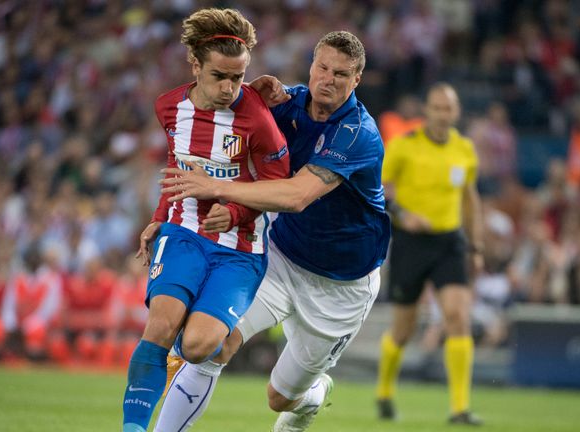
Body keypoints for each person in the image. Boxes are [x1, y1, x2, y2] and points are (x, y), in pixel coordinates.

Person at [154, 30, 389, 432]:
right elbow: (228, 109)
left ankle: (312, 395)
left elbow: (298, 195)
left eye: (341, 74)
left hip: (341, 286)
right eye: (323, 67)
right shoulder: (288, 103)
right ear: (312, 65)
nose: (328, 79)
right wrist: (250, 89)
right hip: (279, 259)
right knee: (211, 346)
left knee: (279, 398)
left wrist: (216, 188)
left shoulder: (358, 134)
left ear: (357, 80)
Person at [120, 8, 290, 432]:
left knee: (198, 347)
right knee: (159, 325)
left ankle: (181, 347)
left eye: (238, 77)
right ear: (195, 65)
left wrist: (233, 211)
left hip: (241, 249)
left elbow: (277, 187)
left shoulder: (257, 118)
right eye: (221, 77)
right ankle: (133, 428)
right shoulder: (169, 108)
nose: (231, 88)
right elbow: (178, 167)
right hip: (183, 232)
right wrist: (160, 216)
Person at [375, 83, 485, 425]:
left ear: (456, 112)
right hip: (410, 242)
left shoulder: (464, 150)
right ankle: (385, 391)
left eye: (448, 108)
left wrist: (477, 246)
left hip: (449, 242)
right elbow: (376, 190)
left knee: (457, 315)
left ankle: (460, 408)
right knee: (403, 331)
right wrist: (403, 214)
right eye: (436, 107)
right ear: (427, 110)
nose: (442, 114)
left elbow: (470, 198)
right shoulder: (404, 147)